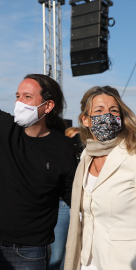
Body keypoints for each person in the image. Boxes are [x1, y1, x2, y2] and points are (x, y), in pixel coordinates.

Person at [0, 27, 77, 269]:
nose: (19, 102)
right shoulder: (4, 126)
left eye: (27, 97)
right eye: (17, 96)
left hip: (29, 253)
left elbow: (74, 197)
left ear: (47, 106)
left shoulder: (62, 147)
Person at [64, 86, 136, 270]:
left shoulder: (132, 155)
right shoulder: (86, 156)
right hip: (87, 262)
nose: (108, 116)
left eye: (113, 110)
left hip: (123, 262)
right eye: (99, 110)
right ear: (85, 120)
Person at [49, 127, 84, 270]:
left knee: (78, 254)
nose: (76, 142)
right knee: (57, 256)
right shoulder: (59, 155)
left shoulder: (84, 156)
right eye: (73, 139)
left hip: (80, 206)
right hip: (63, 205)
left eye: (78, 139)